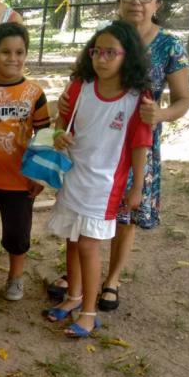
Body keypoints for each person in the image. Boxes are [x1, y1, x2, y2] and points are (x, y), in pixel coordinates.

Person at [48, 0, 189, 311]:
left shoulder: (170, 45)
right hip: (93, 142)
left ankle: (110, 280)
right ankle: (78, 286)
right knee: (83, 220)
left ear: (157, 2)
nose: (137, 1)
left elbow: (183, 99)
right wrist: (65, 108)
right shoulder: (105, 38)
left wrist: (160, 115)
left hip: (136, 137)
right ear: (119, 0)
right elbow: (80, 83)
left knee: (125, 213)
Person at [43, 21, 152, 338]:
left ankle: (89, 313)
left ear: (126, 56)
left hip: (104, 187)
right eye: (97, 51)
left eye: (110, 53)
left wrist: (137, 186)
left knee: (89, 246)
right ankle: (73, 296)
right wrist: (60, 135)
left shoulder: (136, 99)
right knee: (72, 240)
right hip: (74, 176)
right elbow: (64, 125)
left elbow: (140, 144)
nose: (101, 59)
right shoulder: (81, 86)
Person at [0, 23, 50, 301]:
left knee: (18, 236)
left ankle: (15, 278)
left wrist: (38, 176)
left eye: (20, 52)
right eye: (5, 52)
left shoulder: (34, 93)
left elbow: (43, 136)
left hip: (20, 181)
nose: (13, 58)